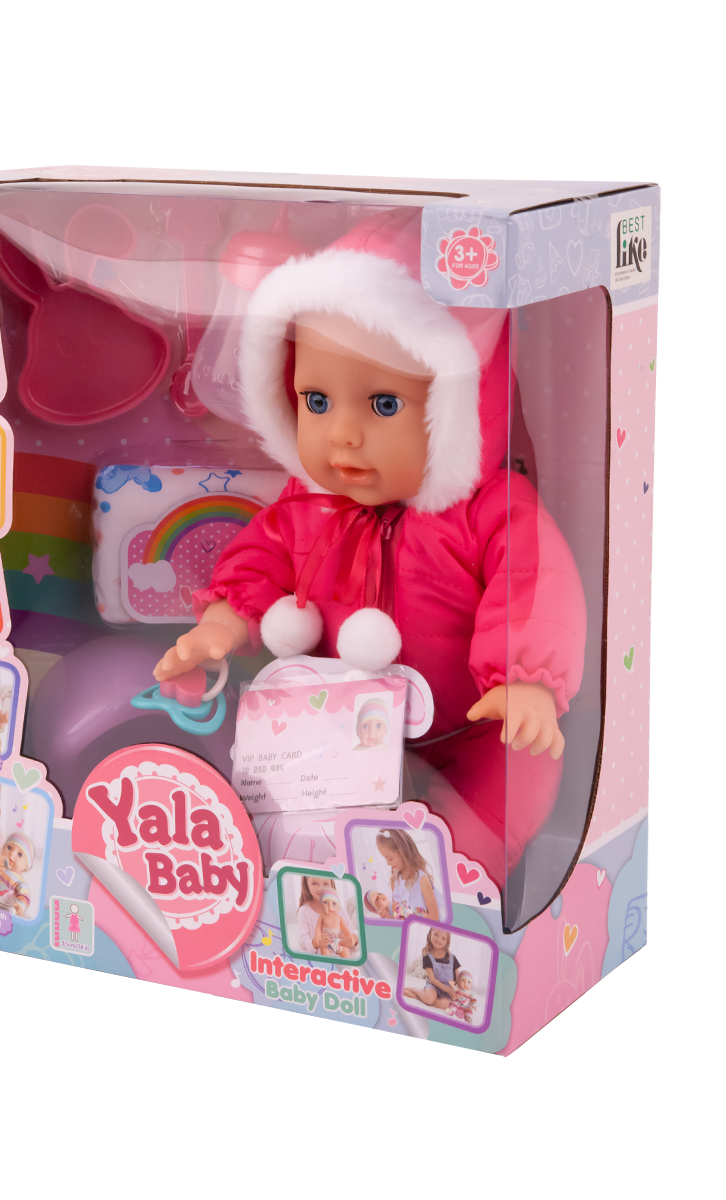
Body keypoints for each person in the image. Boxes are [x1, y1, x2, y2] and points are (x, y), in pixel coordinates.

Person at [153, 208, 586, 885]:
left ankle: (461, 890)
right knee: (303, 834)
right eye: (317, 402)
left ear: (459, 406)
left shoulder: (493, 511)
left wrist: (524, 681)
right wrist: (220, 625)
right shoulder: (308, 506)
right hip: (340, 737)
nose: (342, 435)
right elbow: (259, 559)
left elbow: (534, 589)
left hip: (478, 735)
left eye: (384, 405)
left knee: (475, 835)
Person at [375, 827, 440, 919]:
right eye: (385, 859)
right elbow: (397, 914)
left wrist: (413, 925)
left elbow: (434, 916)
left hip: (423, 927)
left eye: (390, 858)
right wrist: (389, 918)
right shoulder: (395, 881)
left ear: (403, 852)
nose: (388, 863)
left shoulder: (422, 880)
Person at [294, 875, 358, 957]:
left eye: (325, 884)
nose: (320, 888)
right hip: (317, 956)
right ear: (306, 884)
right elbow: (302, 940)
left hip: (338, 952)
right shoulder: (304, 911)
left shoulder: (341, 911)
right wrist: (315, 942)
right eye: (314, 883)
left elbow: (350, 933)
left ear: (331, 884)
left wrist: (354, 939)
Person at [403, 927, 460, 1011]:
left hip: (448, 990)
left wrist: (457, 990)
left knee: (444, 1005)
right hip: (433, 986)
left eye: (443, 938)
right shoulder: (427, 957)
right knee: (429, 999)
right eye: (436, 935)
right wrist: (448, 990)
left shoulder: (452, 957)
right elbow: (432, 979)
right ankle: (415, 990)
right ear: (430, 934)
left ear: (447, 942)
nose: (439, 939)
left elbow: (458, 978)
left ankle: (420, 997)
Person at [314, 889, 355, 958]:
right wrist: (317, 936)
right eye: (325, 903)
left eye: (334, 903)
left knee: (345, 951)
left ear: (338, 907)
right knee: (324, 952)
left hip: (338, 941)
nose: (330, 907)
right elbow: (318, 926)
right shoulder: (322, 916)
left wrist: (349, 936)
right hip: (326, 942)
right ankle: (328, 963)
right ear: (321, 906)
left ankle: (346, 963)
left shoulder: (339, 918)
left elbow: (345, 928)